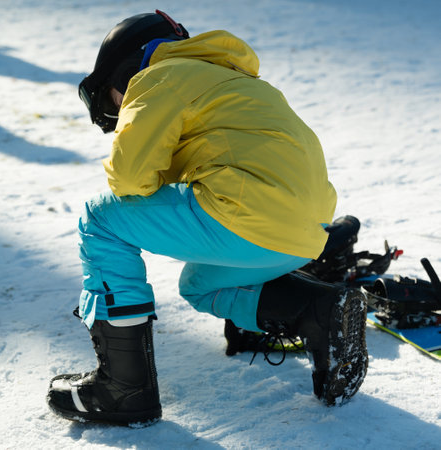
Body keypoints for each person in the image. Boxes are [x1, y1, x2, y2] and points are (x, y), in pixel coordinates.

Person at [47, 10, 368, 425]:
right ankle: (316, 309)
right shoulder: (235, 82)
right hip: (303, 233)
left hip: (246, 213)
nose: (117, 106)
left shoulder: (157, 77)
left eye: (112, 94)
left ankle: (124, 390)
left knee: (100, 220)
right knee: (199, 285)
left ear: (128, 72)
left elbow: (130, 179)